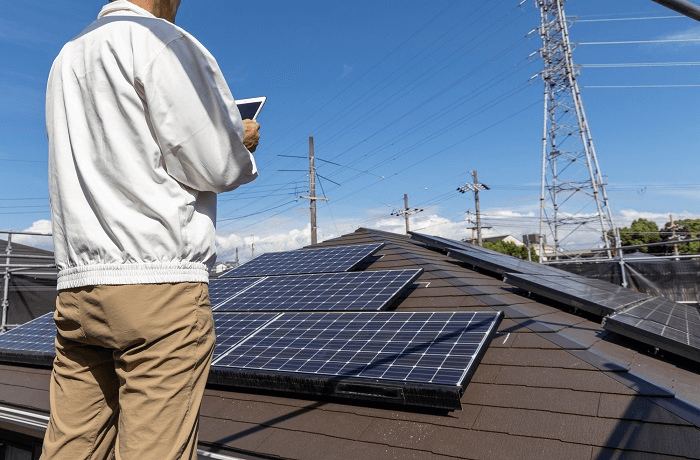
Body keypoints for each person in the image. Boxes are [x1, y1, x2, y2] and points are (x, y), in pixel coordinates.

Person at [42, 0, 260, 458]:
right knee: (153, 448)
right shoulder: (163, 41)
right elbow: (214, 165)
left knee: (71, 444)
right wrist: (239, 140)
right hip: (156, 283)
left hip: (78, 285)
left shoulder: (67, 55)